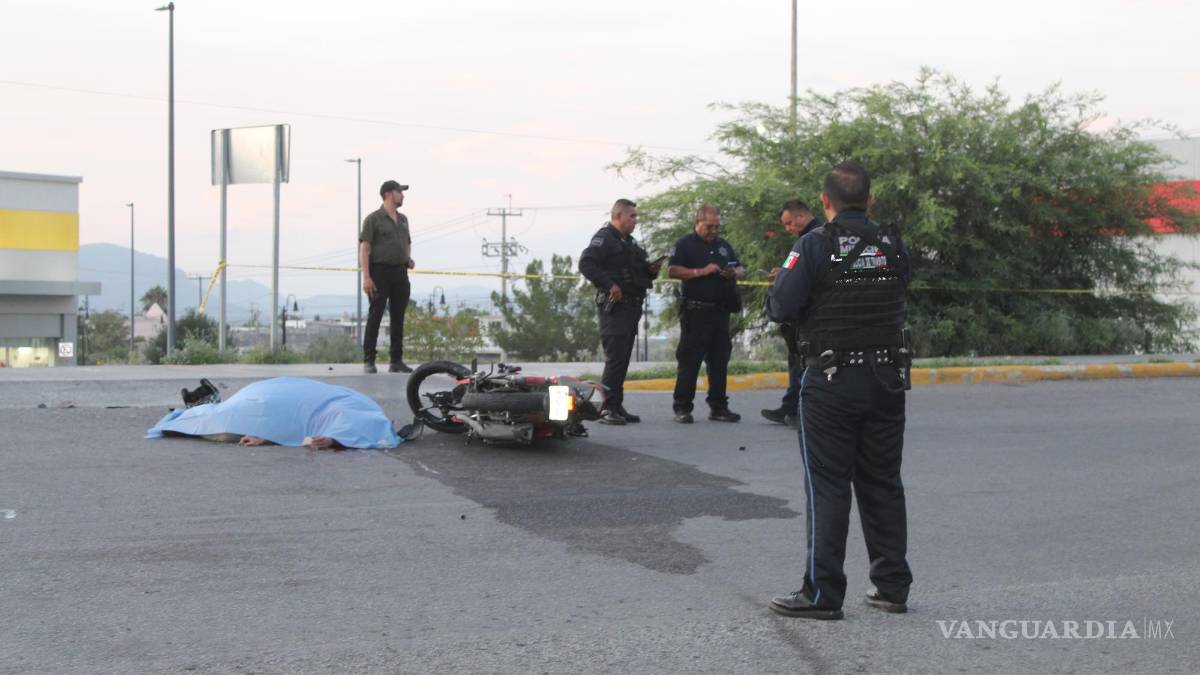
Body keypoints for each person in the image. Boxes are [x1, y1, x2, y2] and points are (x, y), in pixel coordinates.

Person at [765, 161, 913, 620]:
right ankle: (891, 586)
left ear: (825, 202)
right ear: (870, 201)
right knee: (883, 481)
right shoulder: (893, 244)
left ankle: (821, 594)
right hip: (888, 377)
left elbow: (780, 306)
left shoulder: (813, 244)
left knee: (827, 485)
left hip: (831, 379)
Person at [578, 198, 662, 425]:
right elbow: (586, 263)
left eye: (636, 216)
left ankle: (616, 405)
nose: (635, 220)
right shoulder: (604, 238)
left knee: (623, 359)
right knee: (615, 360)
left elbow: (637, 272)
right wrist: (609, 285)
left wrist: (651, 270)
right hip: (614, 309)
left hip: (631, 306)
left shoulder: (629, 243)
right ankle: (605, 409)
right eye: (631, 216)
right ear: (618, 216)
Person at [667, 205, 745, 424]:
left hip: (720, 312)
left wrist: (733, 272)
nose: (713, 231)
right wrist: (700, 272)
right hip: (695, 312)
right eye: (709, 226)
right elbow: (672, 270)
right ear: (697, 222)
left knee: (720, 361)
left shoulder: (723, 245)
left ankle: (719, 407)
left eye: (717, 227)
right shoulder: (685, 244)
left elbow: (740, 268)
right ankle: (682, 407)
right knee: (690, 361)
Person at [762, 200, 820, 428]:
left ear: (800, 216)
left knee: (803, 364)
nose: (787, 229)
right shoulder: (809, 239)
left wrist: (786, 279)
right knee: (796, 361)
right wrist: (785, 273)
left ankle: (800, 412)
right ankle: (790, 406)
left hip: (808, 315)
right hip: (802, 316)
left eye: (788, 223)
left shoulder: (813, 239)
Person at [360, 180, 415, 374]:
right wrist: (366, 277)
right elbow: (365, 248)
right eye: (400, 191)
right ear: (389, 194)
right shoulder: (373, 219)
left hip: (400, 273)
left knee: (398, 317)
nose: (403, 195)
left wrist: (407, 258)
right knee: (375, 315)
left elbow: (407, 242)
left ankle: (396, 361)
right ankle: (369, 360)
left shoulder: (403, 219)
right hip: (379, 272)